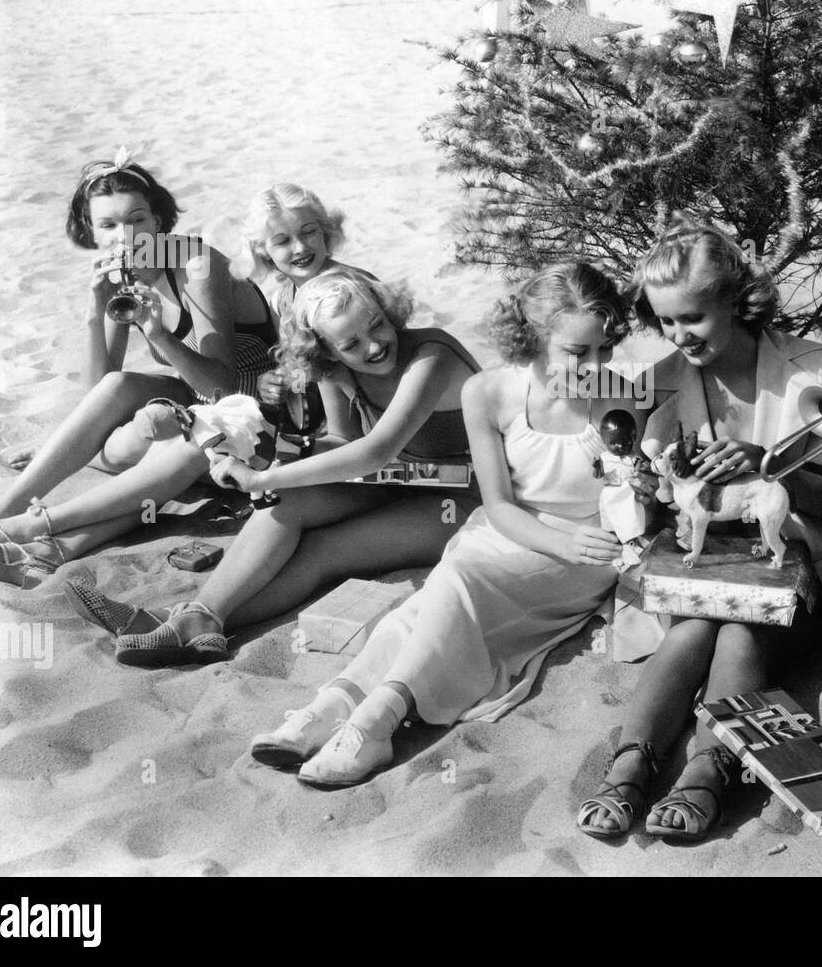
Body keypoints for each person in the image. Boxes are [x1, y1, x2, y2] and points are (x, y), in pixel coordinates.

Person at [241, 261, 645, 789]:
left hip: (580, 557)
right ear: (532, 339)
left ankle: (377, 717)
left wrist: (632, 505)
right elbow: (498, 505)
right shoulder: (488, 393)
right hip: (506, 531)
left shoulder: (624, 399)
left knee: (451, 585)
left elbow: (626, 507)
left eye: (603, 349)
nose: (593, 365)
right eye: (576, 353)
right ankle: (335, 702)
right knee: (424, 606)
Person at [577, 218, 822, 842]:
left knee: (737, 629)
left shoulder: (808, 368)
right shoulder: (664, 378)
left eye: (695, 319)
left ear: (736, 299)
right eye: (667, 322)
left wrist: (766, 459)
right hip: (703, 571)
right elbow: (643, 482)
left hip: (798, 570)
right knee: (697, 626)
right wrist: (647, 486)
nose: (680, 336)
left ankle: (710, 769)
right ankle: (633, 760)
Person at [67, 266, 483, 667]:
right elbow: (341, 442)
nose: (372, 346)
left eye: (376, 325)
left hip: (464, 499)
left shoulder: (431, 357)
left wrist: (263, 477)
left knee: (324, 550)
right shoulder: (336, 368)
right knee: (285, 502)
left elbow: (375, 450)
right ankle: (197, 616)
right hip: (400, 481)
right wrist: (257, 445)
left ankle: (176, 620)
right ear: (325, 349)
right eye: (350, 344)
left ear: (387, 310)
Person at [0, 154, 278, 586]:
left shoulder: (196, 262)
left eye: (136, 219)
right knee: (121, 396)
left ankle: (42, 535)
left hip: (257, 414)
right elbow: (101, 392)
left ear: (159, 220)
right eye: (108, 225)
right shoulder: (121, 273)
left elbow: (220, 385)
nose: (125, 235)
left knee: (142, 451)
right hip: (198, 409)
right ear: (90, 231)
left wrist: (157, 333)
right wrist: (94, 310)